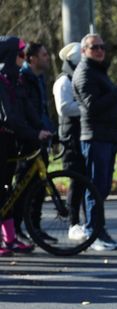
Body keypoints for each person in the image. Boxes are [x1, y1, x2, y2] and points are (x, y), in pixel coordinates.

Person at [72, 34, 117, 251]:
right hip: (96, 137)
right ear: (84, 51)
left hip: (107, 137)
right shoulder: (85, 73)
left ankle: (100, 230)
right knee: (95, 187)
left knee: (102, 187)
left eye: (102, 46)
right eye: (94, 47)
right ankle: (92, 231)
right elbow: (92, 106)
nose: (99, 50)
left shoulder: (97, 71)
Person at [0, 36, 51, 255]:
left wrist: (45, 130)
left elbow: (28, 110)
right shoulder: (2, 80)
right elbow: (8, 117)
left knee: (6, 190)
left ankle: (9, 239)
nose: (23, 58)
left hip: (11, 141)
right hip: (2, 139)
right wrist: (33, 133)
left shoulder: (15, 79)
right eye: (21, 54)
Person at [14, 41, 56, 244]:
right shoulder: (23, 77)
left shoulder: (38, 78)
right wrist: (35, 132)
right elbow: (24, 111)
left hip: (41, 136)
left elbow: (41, 110)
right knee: (22, 187)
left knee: (39, 186)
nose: (48, 58)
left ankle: (35, 228)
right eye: (44, 55)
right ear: (32, 58)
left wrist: (49, 130)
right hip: (28, 140)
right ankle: (14, 229)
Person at [53, 42, 87, 240]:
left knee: (85, 182)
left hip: (82, 137)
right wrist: (88, 108)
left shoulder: (79, 79)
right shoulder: (63, 82)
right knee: (76, 181)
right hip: (70, 140)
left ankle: (86, 222)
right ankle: (73, 223)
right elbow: (64, 108)